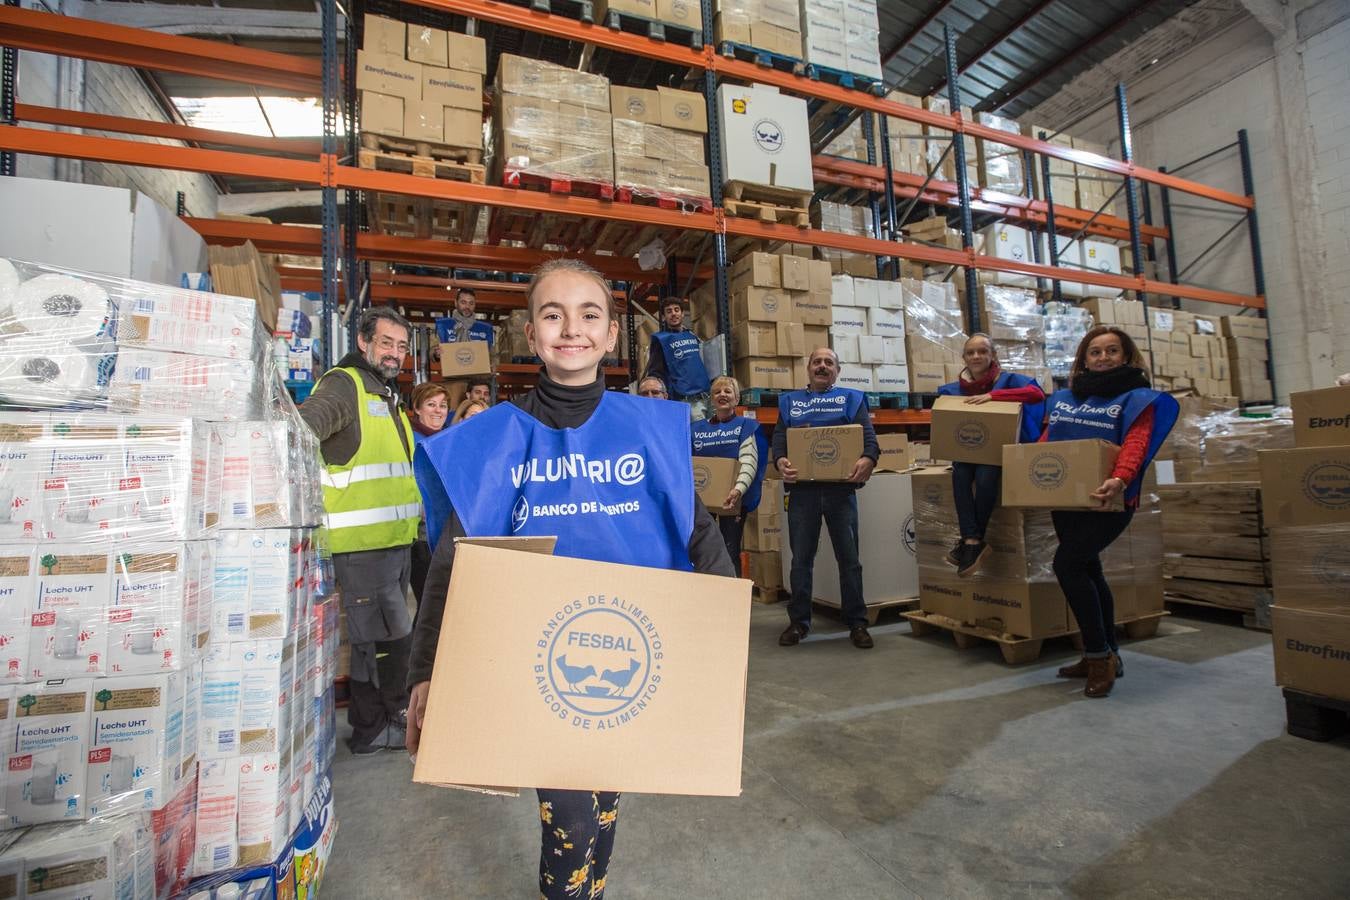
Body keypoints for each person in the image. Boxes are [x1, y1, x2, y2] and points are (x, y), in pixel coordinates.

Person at [407, 259, 735, 899]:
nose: (571, 329)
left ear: (612, 335)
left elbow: (701, 534)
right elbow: (452, 558)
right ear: (531, 335)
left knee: (604, 800)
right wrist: (424, 668)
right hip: (539, 665)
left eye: (589, 314)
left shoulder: (650, 431)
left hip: (630, 656)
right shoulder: (496, 438)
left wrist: (725, 643)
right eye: (552, 315)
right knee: (574, 815)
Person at [299, 306, 420, 755]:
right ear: (364, 343)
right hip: (361, 547)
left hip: (390, 545)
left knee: (391, 638)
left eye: (402, 347)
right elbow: (303, 428)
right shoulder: (344, 385)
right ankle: (371, 729)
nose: (394, 353)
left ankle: (389, 715)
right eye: (386, 343)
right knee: (374, 642)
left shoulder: (384, 394)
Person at [1040, 325, 1178, 698]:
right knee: (1088, 568)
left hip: (1109, 499)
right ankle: (1105, 654)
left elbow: (1136, 443)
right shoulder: (1066, 398)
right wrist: (1028, 470)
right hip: (1068, 499)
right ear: (1084, 359)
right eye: (1095, 352)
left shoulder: (1138, 398)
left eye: (1111, 351)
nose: (1103, 358)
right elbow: (1047, 441)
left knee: (1067, 565)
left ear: (1126, 356)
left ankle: (1099, 657)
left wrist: (1119, 478)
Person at [772, 347, 880, 650]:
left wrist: (868, 459)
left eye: (828, 362)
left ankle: (857, 623)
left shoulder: (851, 399)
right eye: (817, 362)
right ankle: (798, 623)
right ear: (808, 369)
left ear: (837, 370)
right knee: (801, 561)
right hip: (803, 494)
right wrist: (780, 461)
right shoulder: (790, 403)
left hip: (840, 492)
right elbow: (779, 441)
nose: (822, 366)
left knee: (849, 560)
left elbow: (870, 440)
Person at [937, 334, 1046, 576]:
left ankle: (972, 542)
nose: (976, 356)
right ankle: (972, 540)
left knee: (986, 474)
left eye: (982, 351)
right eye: (971, 352)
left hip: (1002, 451)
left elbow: (1036, 395)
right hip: (968, 451)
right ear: (964, 358)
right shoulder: (954, 389)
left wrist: (993, 396)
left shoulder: (1008, 380)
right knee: (960, 474)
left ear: (992, 355)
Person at [692, 375, 768, 564]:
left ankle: (730, 591)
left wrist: (738, 490)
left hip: (732, 500)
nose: (722, 395)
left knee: (729, 551)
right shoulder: (695, 429)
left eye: (728, 391)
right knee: (701, 551)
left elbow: (749, 461)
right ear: (712, 399)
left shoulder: (746, 426)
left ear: (737, 398)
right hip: (702, 502)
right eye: (717, 392)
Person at [408, 382, 452, 610]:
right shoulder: (409, 440)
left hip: (446, 531)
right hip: (420, 534)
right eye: (431, 404)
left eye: (443, 405)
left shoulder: (449, 440)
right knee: (429, 603)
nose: (438, 410)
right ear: (417, 408)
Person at [644, 297, 710, 419]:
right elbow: (655, 372)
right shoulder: (661, 340)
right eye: (669, 311)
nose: (673, 314)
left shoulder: (692, 336)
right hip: (684, 401)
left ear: (682, 313)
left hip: (706, 397)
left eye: (676, 310)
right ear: (664, 317)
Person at [434, 288, 493, 361]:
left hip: (476, 371)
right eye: (463, 302)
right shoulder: (443, 325)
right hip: (451, 370)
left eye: (471, 303)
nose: (467, 307)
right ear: (456, 303)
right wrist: (435, 353)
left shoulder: (485, 329)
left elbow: (493, 355)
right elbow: (431, 350)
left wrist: (493, 363)